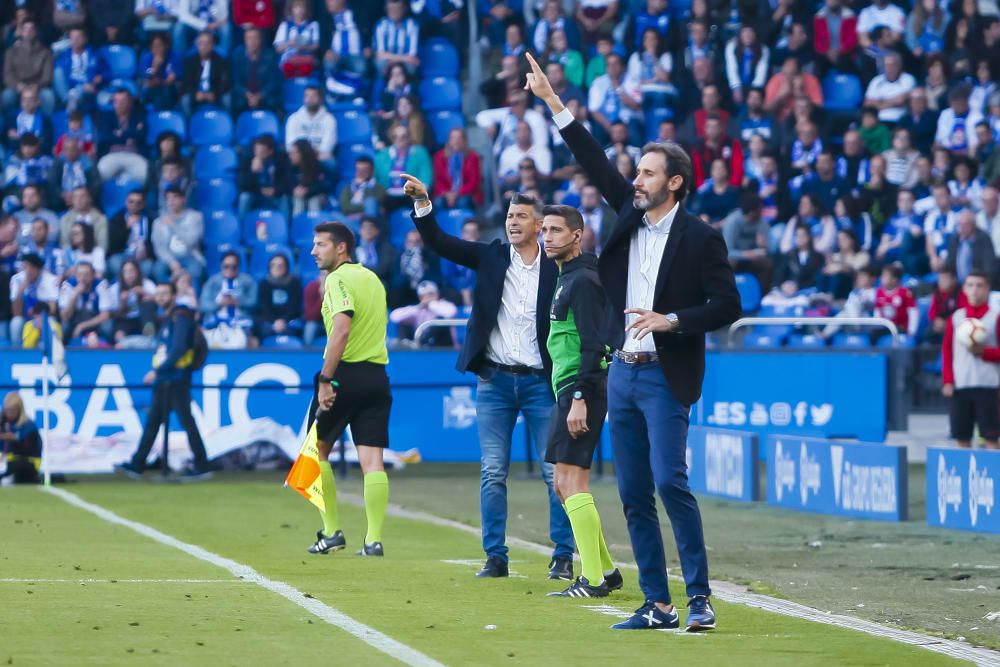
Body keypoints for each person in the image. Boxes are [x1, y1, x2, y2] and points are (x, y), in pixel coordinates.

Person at [526, 51, 741, 631]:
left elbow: (728, 305)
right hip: (621, 371)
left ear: (673, 183)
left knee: (671, 482)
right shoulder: (626, 215)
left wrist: (671, 319)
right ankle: (658, 602)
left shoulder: (701, 238)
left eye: (646, 173)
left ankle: (699, 596)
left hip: (665, 371)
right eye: (636, 173)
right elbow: (591, 157)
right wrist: (552, 101)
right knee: (633, 492)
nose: (635, 179)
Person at [401, 172, 575, 581]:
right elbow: (441, 243)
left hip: (541, 384)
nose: (513, 222)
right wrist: (424, 204)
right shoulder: (491, 256)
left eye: (522, 217)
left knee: (554, 473)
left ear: (539, 225)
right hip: (494, 381)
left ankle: (563, 553)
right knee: (493, 470)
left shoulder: (559, 265)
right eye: (510, 216)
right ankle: (495, 556)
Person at [537, 204, 622, 598]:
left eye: (556, 230)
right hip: (569, 388)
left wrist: (579, 398)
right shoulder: (566, 276)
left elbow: (594, 344)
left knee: (572, 482)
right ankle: (605, 569)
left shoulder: (584, 280)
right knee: (562, 482)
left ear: (577, 235)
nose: (548, 237)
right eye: (546, 230)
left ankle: (592, 579)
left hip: (580, 389)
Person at [304, 222, 393, 557]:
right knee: (372, 460)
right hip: (376, 376)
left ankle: (331, 532)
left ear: (341, 248)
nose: (314, 251)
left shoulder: (338, 279)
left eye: (320, 244)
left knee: (316, 452)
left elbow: (341, 330)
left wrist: (326, 379)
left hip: (343, 376)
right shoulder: (372, 278)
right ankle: (373, 540)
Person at [115, 280, 214, 479]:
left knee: (186, 422)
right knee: (154, 423)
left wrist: (158, 372)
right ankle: (137, 464)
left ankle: (202, 466)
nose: (160, 297)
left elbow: (177, 350)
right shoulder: (168, 319)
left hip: (175, 379)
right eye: (158, 293)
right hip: (166, 380)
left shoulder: (181, 318)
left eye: (165, 293)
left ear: (174, 296)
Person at [942, 270, 1000, 449]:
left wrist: (984, 352)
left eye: (979, 285)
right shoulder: (956, 318)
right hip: (961, 385)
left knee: (991, 438)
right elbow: (947, 350)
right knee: (962, 436)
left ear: (987, 289)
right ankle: (966, 475)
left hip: (988, 385)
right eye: (970, 285)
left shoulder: (995, 318)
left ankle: (995, 475)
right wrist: (948, 380)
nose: (975, 290)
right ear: (964, 290)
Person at [0, 392, 43, 485]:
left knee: (18, 464)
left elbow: (29, 449)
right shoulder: (3, 423)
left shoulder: (28, 426)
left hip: (29, 462)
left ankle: (11, 478)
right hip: (7, 462)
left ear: (19, 410)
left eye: (12, 411)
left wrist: (13, 439)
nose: (9, 414)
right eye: (7, 410)